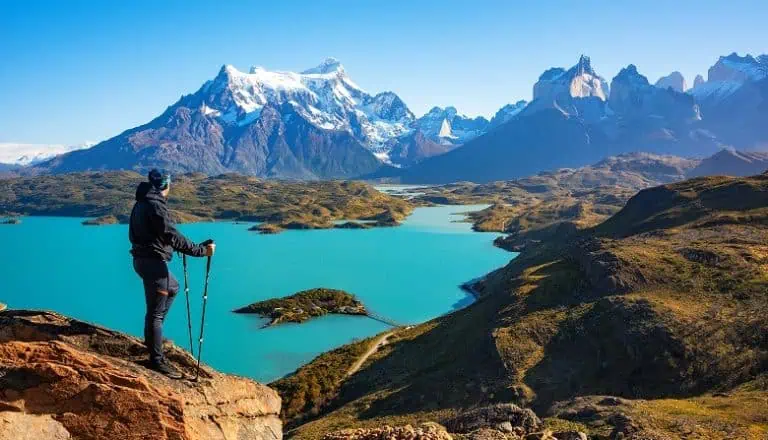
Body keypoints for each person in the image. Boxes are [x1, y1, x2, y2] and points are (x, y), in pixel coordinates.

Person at [129, 169, 215, 377]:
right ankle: (156, 360)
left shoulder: (142, 202)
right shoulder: (155, 205)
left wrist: (190, 247)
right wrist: (201, 251)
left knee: (173, 287)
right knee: (156, 314)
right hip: (153, 265)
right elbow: (170, 235)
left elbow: (159, 236)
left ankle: (153, 338)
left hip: (144, 261)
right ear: (166, 185)